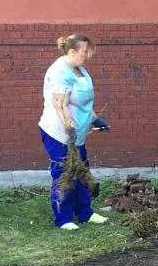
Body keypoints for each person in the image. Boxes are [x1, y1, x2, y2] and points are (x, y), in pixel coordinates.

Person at [38, 34, 111, 230]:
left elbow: (83, 102)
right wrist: (69, 131)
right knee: (65, 174)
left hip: (78, 134)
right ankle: (63, 219)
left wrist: (95, 119)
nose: (87, 56)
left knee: (82, 171)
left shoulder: (79, 69)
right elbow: (60, 105)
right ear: (72, 51)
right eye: (84, 52)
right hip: (60, 134)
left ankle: (85, 213)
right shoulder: (60, 71)